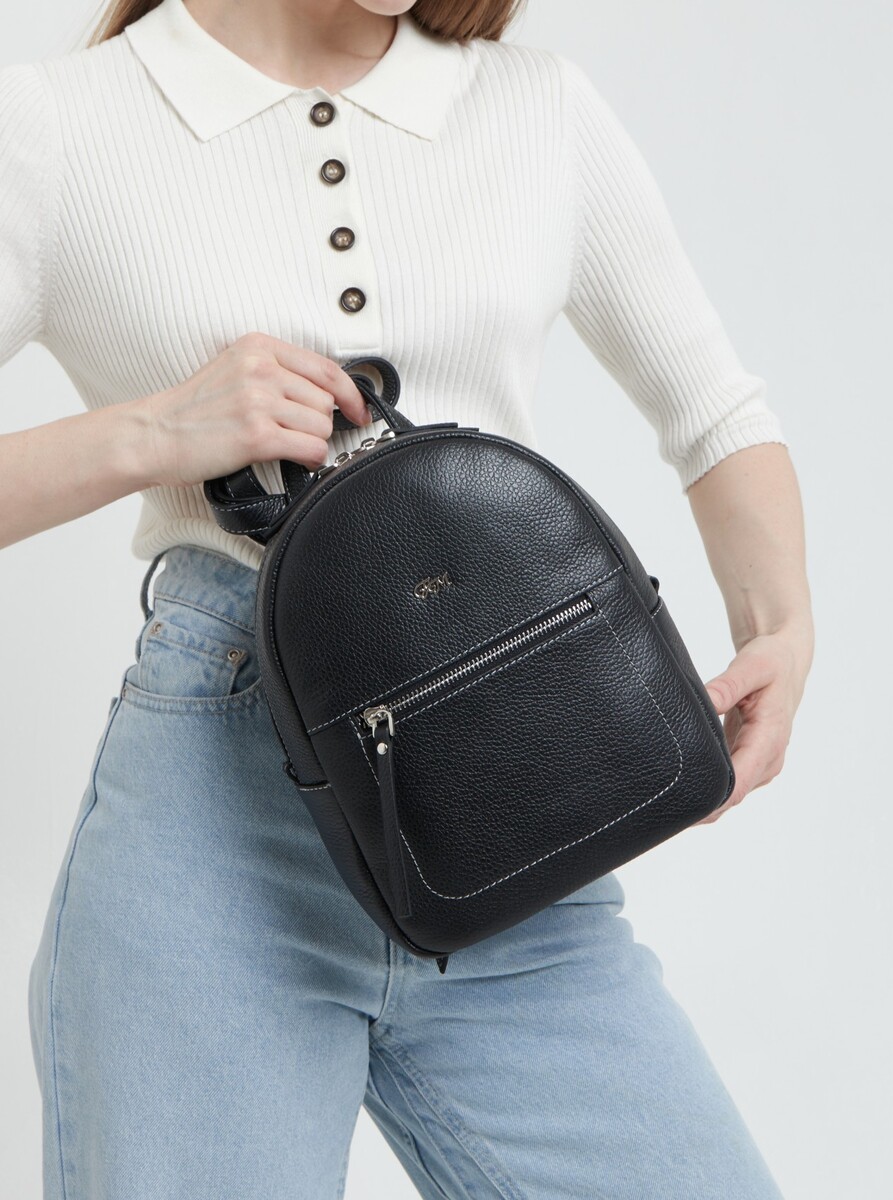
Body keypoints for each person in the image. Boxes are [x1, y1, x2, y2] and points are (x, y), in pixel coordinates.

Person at [0, 0, 814, 1195]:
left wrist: (781, 628)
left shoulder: (534, 107)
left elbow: (714, 410)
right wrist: (152, 433)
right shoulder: (63, 125)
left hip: (521, 804)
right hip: (210, 846)